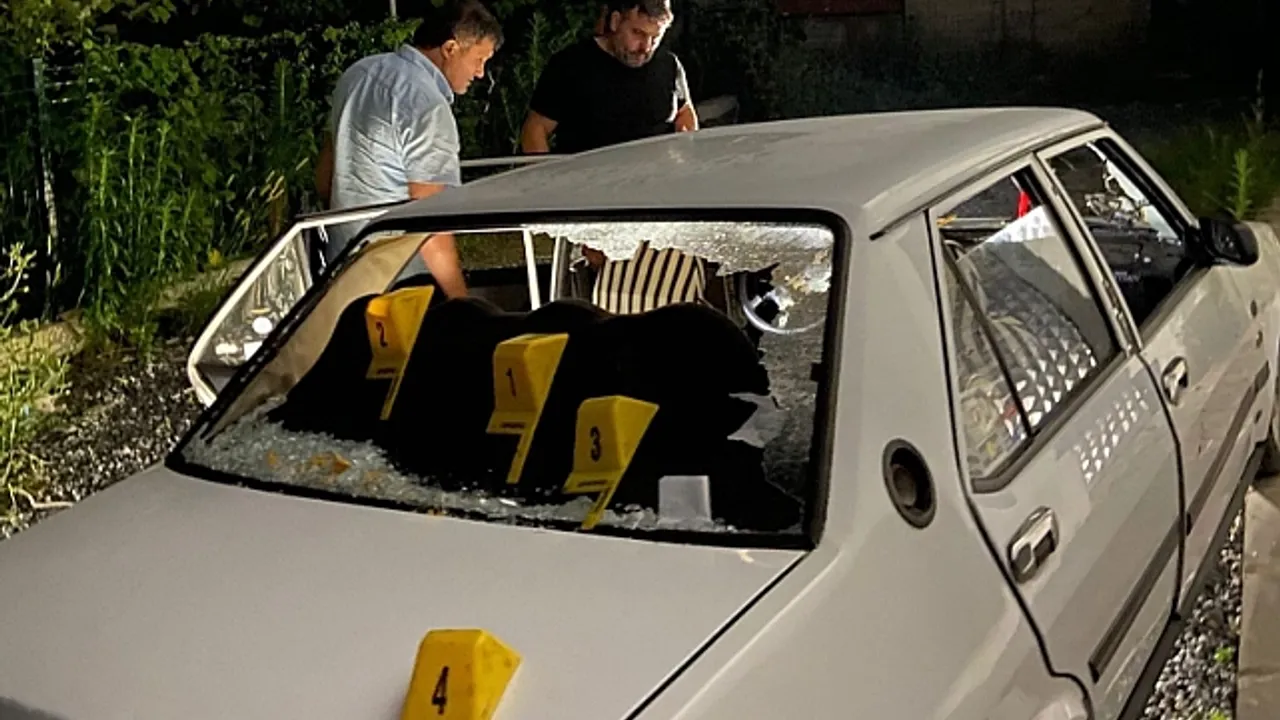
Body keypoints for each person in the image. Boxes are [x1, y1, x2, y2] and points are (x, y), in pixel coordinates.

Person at [314, 0, 503, 297]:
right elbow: (429, 220)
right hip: (400, 278)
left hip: (344, 262)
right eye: (479, 59)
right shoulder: (427, 105)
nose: (480, 73)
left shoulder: (358, 73)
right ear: (450, 48)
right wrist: (461, 301)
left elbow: (325, 176)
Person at [519, 0, 697, 155]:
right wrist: (547, 179)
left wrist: (685, 151)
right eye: (638, 33)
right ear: (615, 21)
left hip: (658, 179)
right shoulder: (570, 66)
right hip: (591, 180)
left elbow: (684, 112)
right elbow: (535, 129)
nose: (646, 47)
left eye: (655, 37)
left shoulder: (669, 65)